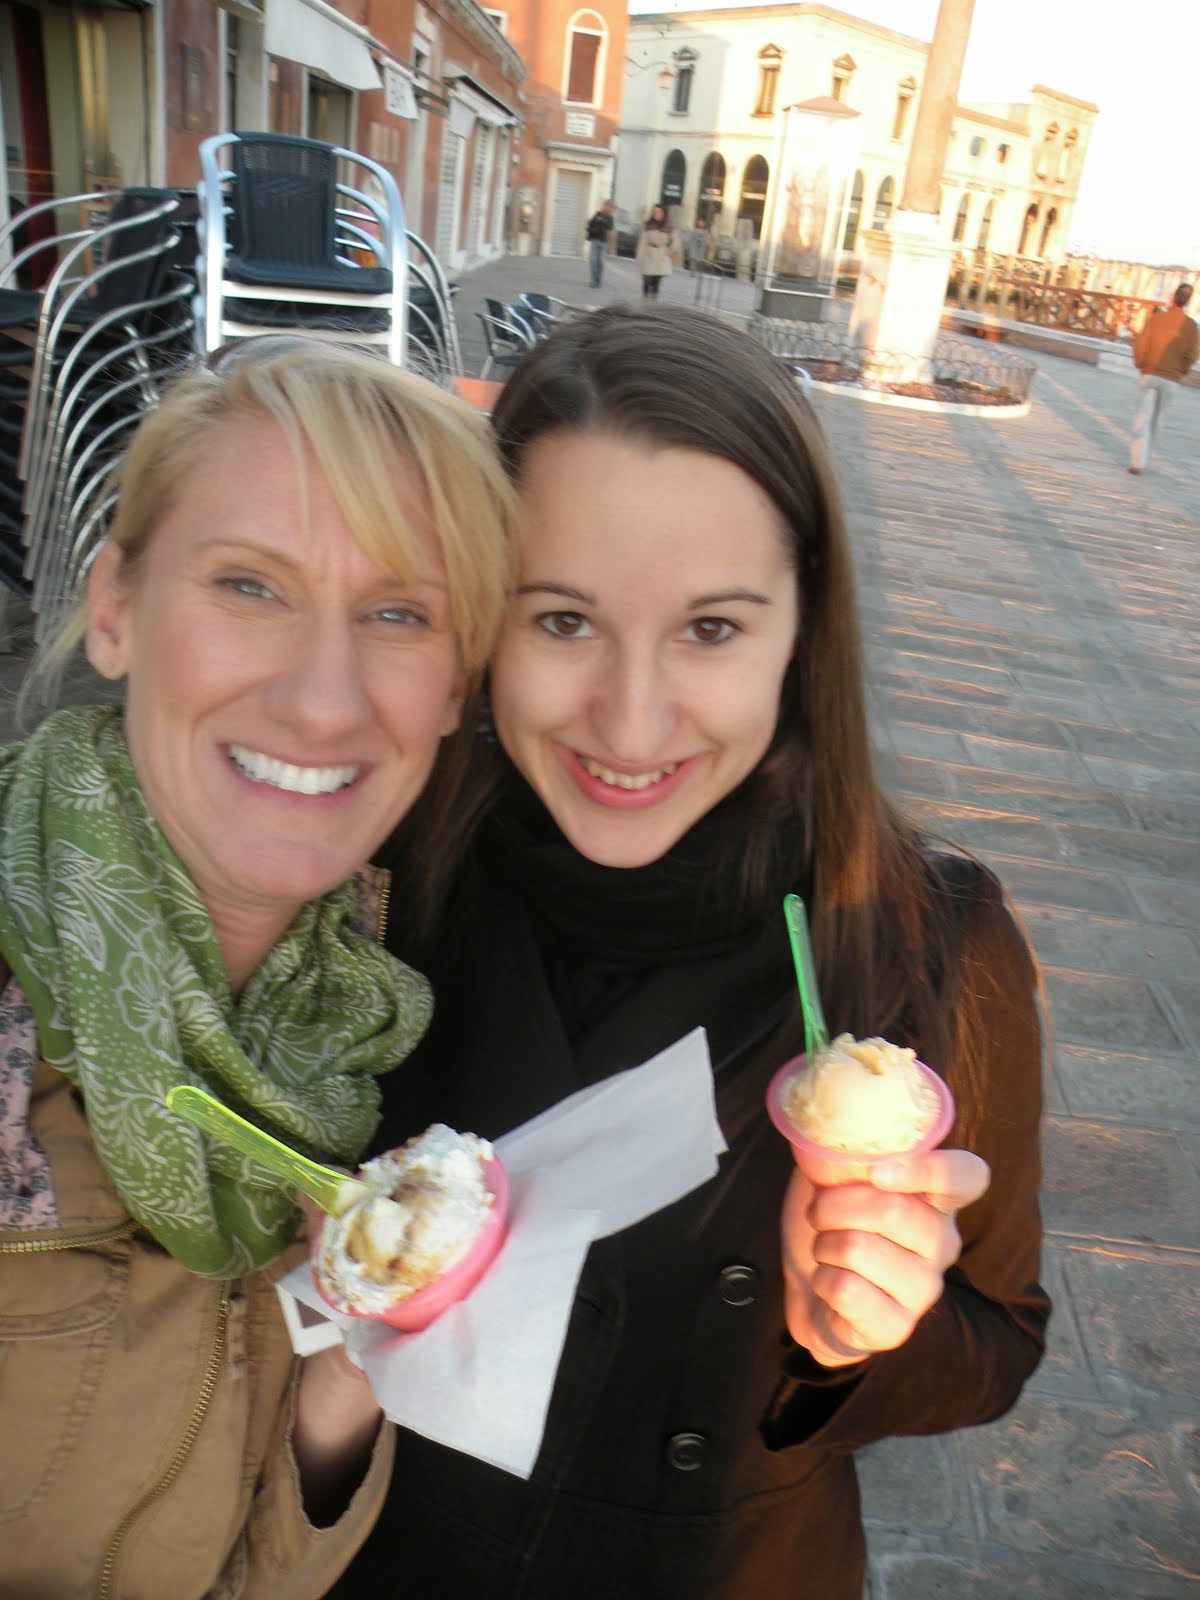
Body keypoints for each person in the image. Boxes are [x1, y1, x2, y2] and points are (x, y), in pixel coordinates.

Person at [334, 303, 1049, 1599]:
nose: (630, 713)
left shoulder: (924, 945)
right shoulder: (380, 900)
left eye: (712, 629)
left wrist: (850, 1339)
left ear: (801, 631)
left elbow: (996, 1346)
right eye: (563, 621)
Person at [0, 339, 513, 1599]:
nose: (325, 702)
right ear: (115, 609)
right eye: (249, 585)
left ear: (455, 686)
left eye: (398, 613)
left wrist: (346, 1385)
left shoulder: (376, 1022)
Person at [1129, 281, 1198, 473]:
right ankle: (1145, 457)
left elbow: (1140, 344)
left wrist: (1141, 364)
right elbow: (1192, 355)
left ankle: (1137, 462)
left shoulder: (1156, 319)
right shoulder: (1191, 326)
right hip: (1172, 379)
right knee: (1157, 420)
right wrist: (1180, 371)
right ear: (1188, 301)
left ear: (1172, 297)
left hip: (1150, 373)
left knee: (1142, 416)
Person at [635, 203, 674, 298]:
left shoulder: (668, 226)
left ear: (663, 213)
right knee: (647, 279)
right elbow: (642, 242)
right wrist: (639, 257)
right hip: (649, 253)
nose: (656, 214)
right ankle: (645, 300)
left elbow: (675, 239)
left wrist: (671, 248)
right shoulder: (648, 225)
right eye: (655, 211)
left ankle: (653, 304)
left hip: (661, 255)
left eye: (659, 212)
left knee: (656, 282)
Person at [585, 199, 615, 289]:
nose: (606, 207)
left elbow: (610, 227)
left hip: (603, 242)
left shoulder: (610, 218)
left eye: (608, 206)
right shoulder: (598, 214)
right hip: (595, 240)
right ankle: (593, 281)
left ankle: (598, 280)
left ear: (611, 208)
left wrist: (602, 220)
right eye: (605, 205)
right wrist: (596, 220)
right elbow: (590, 223)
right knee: (593, 261)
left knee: (600, 262)